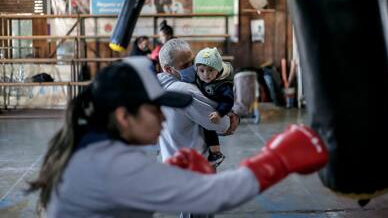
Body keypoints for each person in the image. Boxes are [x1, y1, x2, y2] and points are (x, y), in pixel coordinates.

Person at [28, 56, 328, 217]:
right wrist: (278, 159)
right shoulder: (111, 164)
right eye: (156, 110)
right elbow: (218, 195)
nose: (162, 118)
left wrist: (168, 175)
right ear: (123, 116)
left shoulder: (91, 146)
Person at [182, 47, 234, 167]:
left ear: (218, 70)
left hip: (217, 108)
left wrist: (219, 113)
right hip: (205, 105)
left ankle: (216, 153)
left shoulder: (223, 85)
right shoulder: (198, 77)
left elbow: (228, 101)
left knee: (209, 128)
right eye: (202, 70)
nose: (206, 74)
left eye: (211, 70)